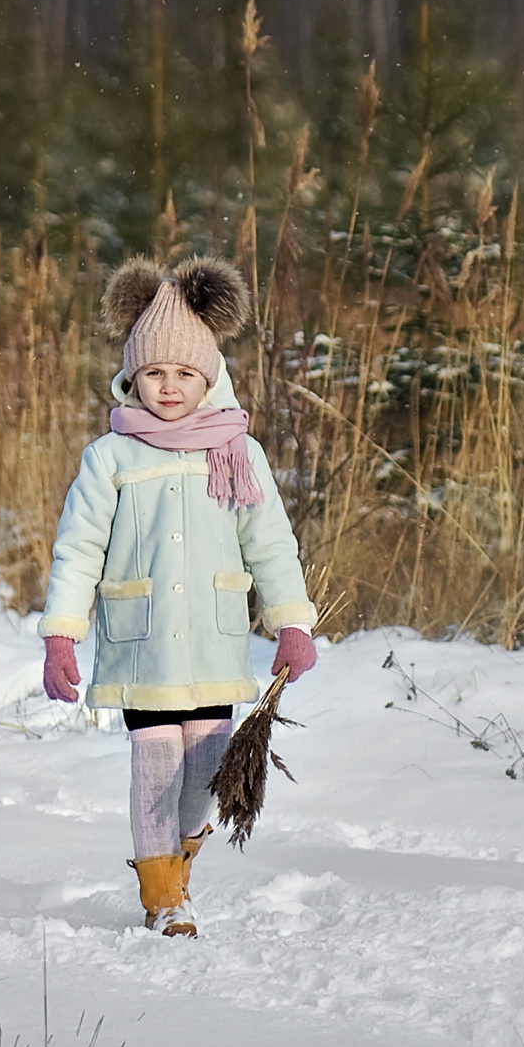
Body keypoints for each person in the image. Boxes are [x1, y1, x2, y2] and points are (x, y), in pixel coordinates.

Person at [39, 256, 318, 938]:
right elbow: (78, 550)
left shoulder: (236, 452)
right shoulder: (111, 457)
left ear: (209, 376)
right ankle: (163, 896)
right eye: (155, 373)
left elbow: (272, 544)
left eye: (185, 374)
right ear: (133, 374)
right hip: (141, 647)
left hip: (213, 639)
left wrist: (291, 622)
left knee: (206, 770)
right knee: (157, 763)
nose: (169, 387)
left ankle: (181, 865)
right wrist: (60, 635)